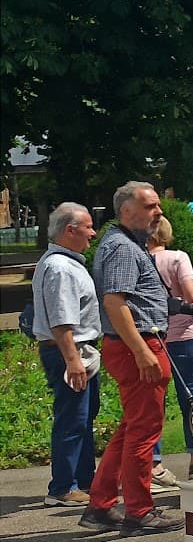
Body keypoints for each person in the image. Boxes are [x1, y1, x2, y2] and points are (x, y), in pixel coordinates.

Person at [83, 182, 181, 534]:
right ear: (126, 211)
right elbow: (115, 302)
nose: (159, 212)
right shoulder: (123, 248)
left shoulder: (125, 244)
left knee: (129, 430)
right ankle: (139, 511)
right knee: (143, 432)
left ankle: (100, 505)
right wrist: (142, 351)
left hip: (134, 344)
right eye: (151, 206)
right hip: (138, 345)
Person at [32, 203, 101, 507]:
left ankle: (84, 481)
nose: (93, 232)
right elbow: (61, 319)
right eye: (87, 226)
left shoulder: (66, 263)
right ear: (70, 230)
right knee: (72, 420)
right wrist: (73, 361)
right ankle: (63, 487)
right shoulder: (59, 268)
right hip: (68, 352)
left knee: (83, 418)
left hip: (76, 351)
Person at [150, 216, 193, 481]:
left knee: (153, 401)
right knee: (191, 399)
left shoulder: (138, 259)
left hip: (152, 337)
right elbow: (192, 296)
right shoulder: (177, 257)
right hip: (183, 335)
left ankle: (154, 463)